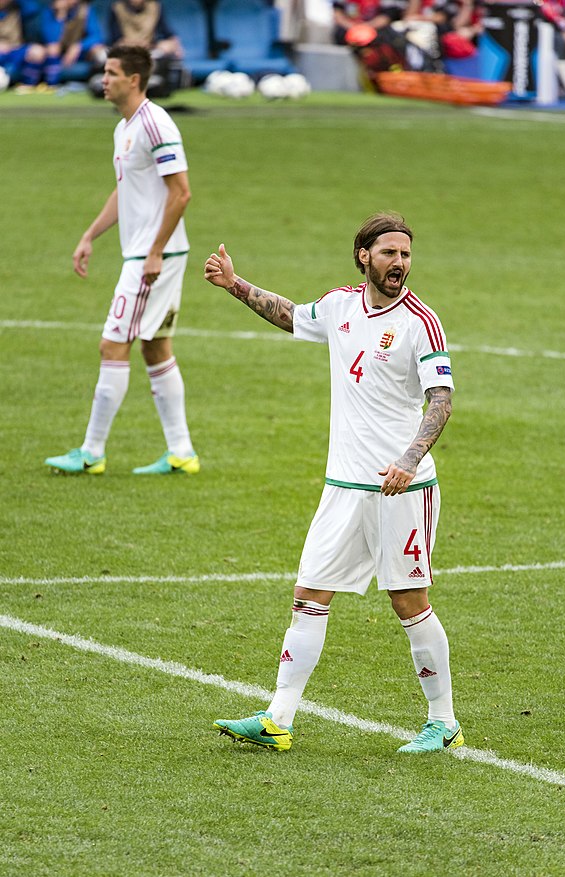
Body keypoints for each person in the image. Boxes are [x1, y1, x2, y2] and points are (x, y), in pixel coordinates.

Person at [205, 213, 463, 754]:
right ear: (363, 256)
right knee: (309, 595)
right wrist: (236, 285)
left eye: (406, 255)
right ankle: (278, 718)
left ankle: (444, 722)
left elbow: (440, 399)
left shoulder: (421, 321)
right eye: (389, 253)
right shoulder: (341, 305)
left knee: (408, 601)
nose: (400, 263)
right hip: (342, 487)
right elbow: (291, 315)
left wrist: (410, 459)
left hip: (402, 489)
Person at [45, 45, 199, 476]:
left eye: (111, 72)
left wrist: (153, 252)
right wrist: (90, 234)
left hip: (154, 257)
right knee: (155, 347)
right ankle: (182, 453)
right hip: (151, 253)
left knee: (113, 344)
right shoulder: (124, 128)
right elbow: (126, 190)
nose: (104, 79)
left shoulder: (154, 123)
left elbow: (181, 191)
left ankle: (91, 452)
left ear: (134, 79)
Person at [0, 0, 45, 89]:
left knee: (37, 51)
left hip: (14, 50)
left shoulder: (17, 8)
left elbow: (33, 8)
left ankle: (27, 86)